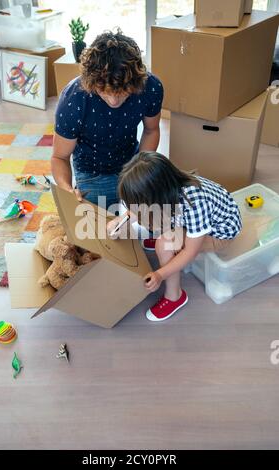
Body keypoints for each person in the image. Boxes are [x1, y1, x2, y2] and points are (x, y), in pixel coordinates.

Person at [107, 152, 242, 322]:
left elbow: (190, 252)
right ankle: (168, 244)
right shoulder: (167, 183)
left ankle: (175, 296)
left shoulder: (194, 202)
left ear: (156, 196)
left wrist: (160, 274)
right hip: (193, 221)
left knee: (164, 245)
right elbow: (139, 210)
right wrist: (120, 221)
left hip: (219, 233)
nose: (136, 208)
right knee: (157, 225)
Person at [51, 29, 164, 212]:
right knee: (95, 233)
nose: (113, 101)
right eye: (105, 91)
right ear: (91, 82)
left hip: (132, 163)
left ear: (136, 83)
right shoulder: (73, 99)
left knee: (154, 220)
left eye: (121, 93)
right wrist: (67, 189)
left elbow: (151, 130)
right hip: (91, 171)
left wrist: (141, 171)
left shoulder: (150, 87)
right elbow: (60, 157)